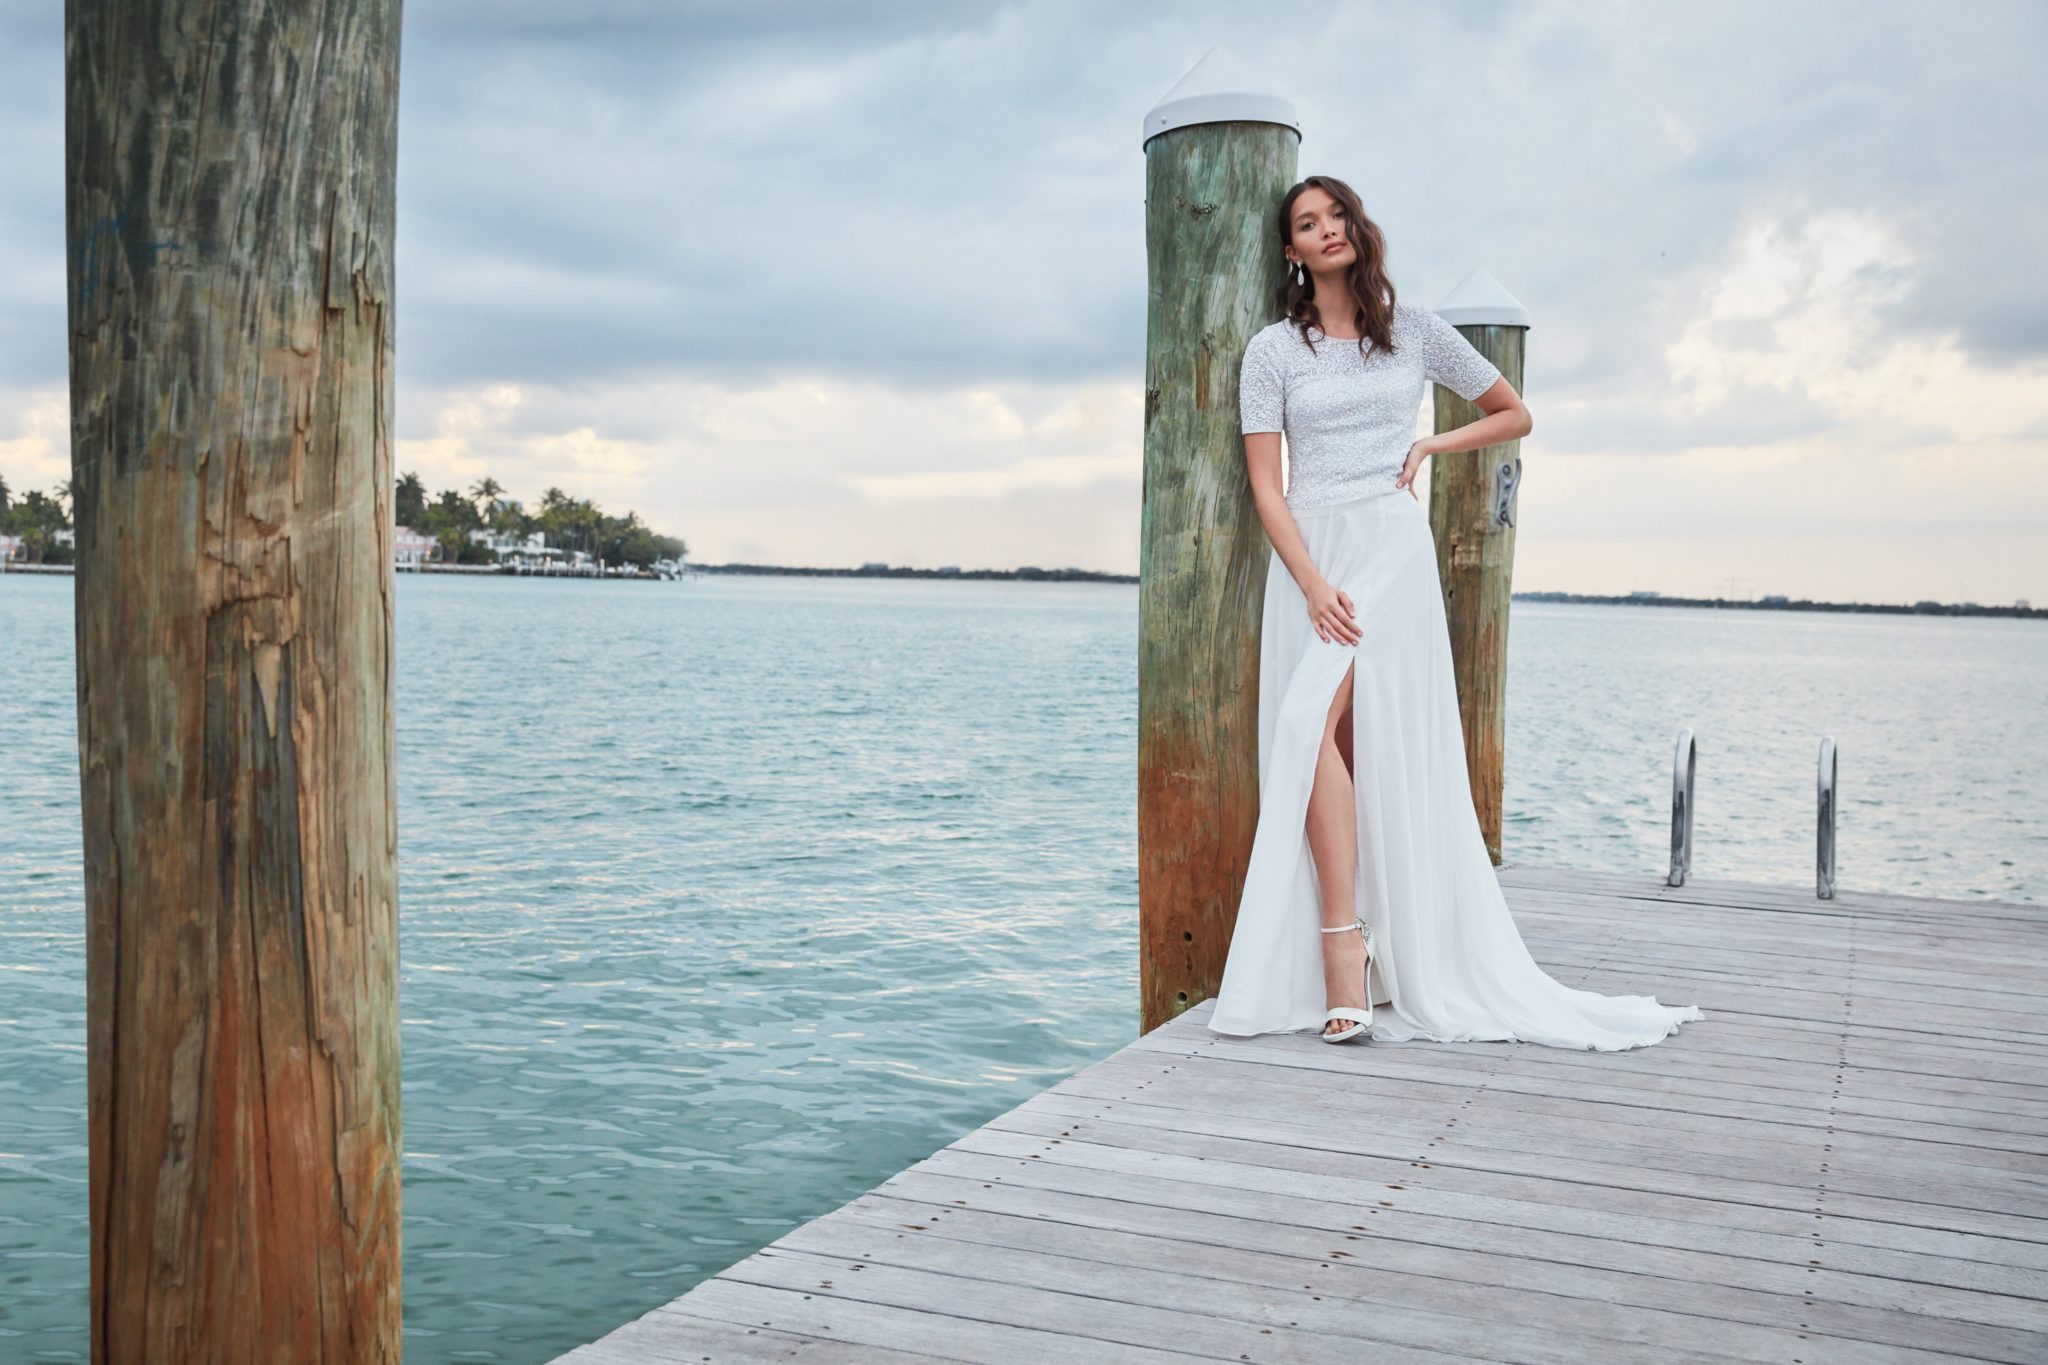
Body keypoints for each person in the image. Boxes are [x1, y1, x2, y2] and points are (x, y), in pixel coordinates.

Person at [1207, 175, 1704, 1049]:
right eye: (1306, 224)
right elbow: (1264, 485)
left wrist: (1433, 441)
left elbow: (1514, 414)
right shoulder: (1272, 352)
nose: (1327, 232)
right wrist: (1314, 583)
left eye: (1336, 217)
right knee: (1312, 730)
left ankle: (1351, 954)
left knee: (1346, 734)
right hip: (1313, 560)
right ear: (1291, 250)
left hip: (1393, 549)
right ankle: (1350, 944)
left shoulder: (1418, 334)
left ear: (1359, 229)